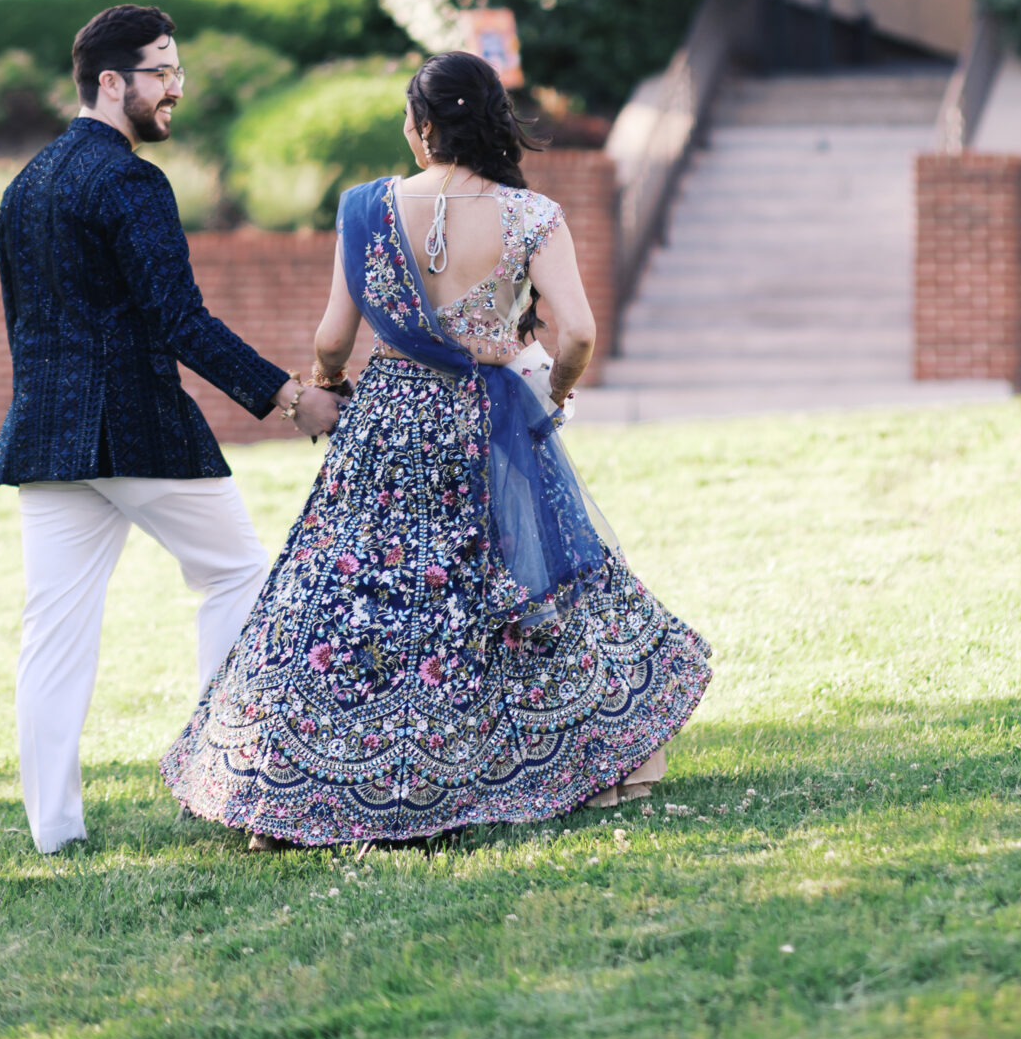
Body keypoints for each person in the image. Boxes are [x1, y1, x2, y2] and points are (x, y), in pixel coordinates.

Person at [162, 50, 711, 850]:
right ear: (487, 122)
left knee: (343, 590)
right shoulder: (530, 216)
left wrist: (327, 381)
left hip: (385, 416)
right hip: (485, 418)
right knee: (516, 581)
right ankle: (608, 760)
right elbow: (581, 331)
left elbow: (330, 337)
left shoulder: (363, 208)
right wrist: (552, 394)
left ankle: (282, 788)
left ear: (421, 130)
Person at [0, 2, 343, 856]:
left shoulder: (25, 184)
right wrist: (293, 398)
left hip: (43, 437)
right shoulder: (130, 181)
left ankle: (55, 835)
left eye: (177, 72)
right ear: (111, 82)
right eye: (162, 73)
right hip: (137, 430)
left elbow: (26, 326)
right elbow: (180, 321)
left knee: (54, 634)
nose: (175, 89)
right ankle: (233, 784)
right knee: (234, 579)